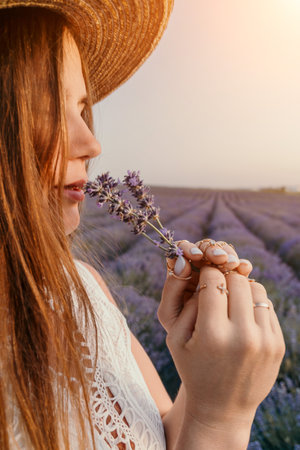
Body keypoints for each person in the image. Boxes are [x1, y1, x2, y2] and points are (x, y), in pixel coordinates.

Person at [0, 2, 286, 449]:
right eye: (50, 109)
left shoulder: (81, 287)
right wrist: (221, 418)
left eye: (81, 108)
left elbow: (158, 431)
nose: (91, 143)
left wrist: (202, 371)